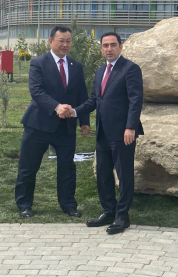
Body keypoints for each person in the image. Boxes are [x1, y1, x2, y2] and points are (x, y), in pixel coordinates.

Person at [59, 32, 143, 235]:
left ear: (120, 47)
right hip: (103, 132)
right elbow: (94, 100)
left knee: (124, 175)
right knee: (104, 175)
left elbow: (135, 100)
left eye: (113, 45)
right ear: (101, 49)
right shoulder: (99, 72)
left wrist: (130, 127)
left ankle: (122, 216)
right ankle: (109, 211)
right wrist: (76, 112)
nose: (109, 49)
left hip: (123, 133)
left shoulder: (130, 69)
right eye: (105, 45)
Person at [14, 25, 90, 219]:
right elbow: (37, 91)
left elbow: (82, 95)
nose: (65, 44)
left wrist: (84, 121)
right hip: (39, 124)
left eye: (68, 41)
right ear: (50, 41)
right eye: (61, 40)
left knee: (67, 167)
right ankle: (24, 204)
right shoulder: (38, 63)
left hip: (65, 126)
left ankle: (68, 205)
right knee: (28, 166)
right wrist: (57, 107)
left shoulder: (76, 66)